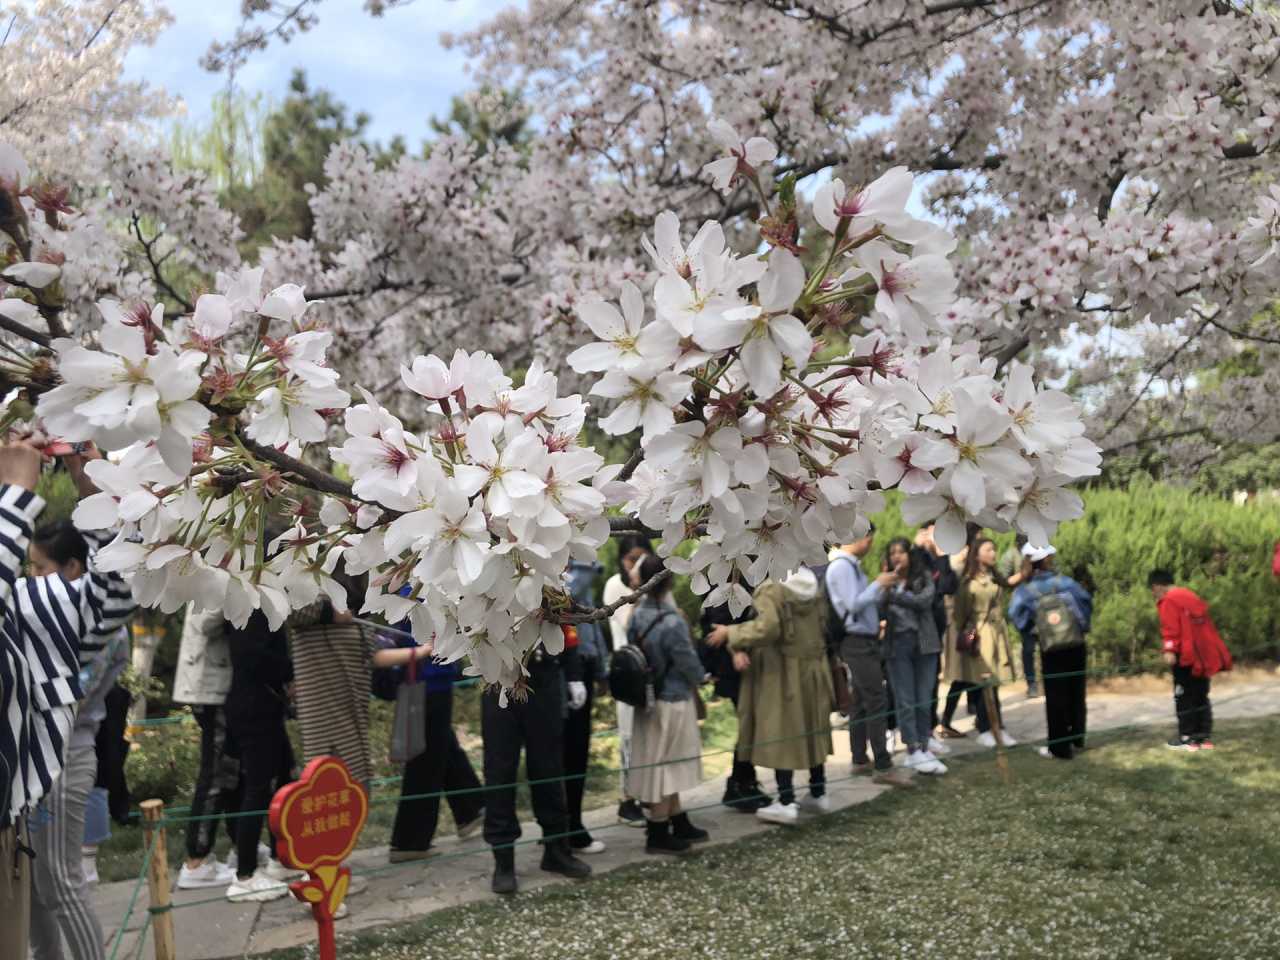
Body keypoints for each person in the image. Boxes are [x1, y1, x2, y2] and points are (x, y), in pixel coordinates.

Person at [0, 442, 135, 959]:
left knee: (53, 884)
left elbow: (117, 591)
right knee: (37, 890)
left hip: (53, 766)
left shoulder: (35, 602)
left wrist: (91, 486)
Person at [27, 521, 133, 960]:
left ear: (73, 567)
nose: (31, 579)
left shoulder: (98, 630)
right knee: (35, 884)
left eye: (39, 567)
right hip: (41, 760)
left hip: (64, 758)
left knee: (62, 883)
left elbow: (63, 695)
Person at [707, 568, 833, 825]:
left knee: (781, 732)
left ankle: (786, 801)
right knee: (812, 729)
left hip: (781, 670)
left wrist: (730, 634)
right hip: (813, 667)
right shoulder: (812, 584)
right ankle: (818, 791)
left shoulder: (772, 587)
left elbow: (768, 627)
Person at [482, 626, 590, 895]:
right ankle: (503, 858)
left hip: (543, 677)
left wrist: (574, 674)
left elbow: (565, 624)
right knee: (499, 770)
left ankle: (556, 848)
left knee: (548, 768)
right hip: (498, 679)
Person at [372, 625, 484, 861]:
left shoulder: (410, 592)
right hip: (427, 678)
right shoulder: (418, 593)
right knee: (425, 761)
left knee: (442, 748)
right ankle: (409, 842)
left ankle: (471, 809)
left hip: (430, 677)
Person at [625, 554, 709, 854]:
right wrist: (702, 677)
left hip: (647, 698)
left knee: (662, 762)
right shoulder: (672, 621)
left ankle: (677, 819)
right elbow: (687, 661)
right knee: (666, 765)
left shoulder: (636, 615)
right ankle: (658, 831)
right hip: (672, 699)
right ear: (669, 580)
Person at [825, 526, 914, 788]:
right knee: (876, 699)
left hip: (862, 640)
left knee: (862, 702)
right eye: (869, 536)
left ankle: (860, 758)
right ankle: (883, 765)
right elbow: (853, 604)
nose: (871, 542)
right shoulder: (841, 567)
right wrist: (878, 584)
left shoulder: (850, 566)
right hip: (856, 642)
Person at [224, 611, 299, 902]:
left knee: (282, 781)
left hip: (267, 706)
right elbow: (250, 656)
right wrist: (292, 670)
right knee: (257, 789)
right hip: (252, 709)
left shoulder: (263, 606)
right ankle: (245, 874)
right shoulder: (248, 607)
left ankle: (280, 859)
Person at [288, 560, 373, 788]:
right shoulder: (314, 597)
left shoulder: (357, 606)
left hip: (353, 705)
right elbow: (291, 610)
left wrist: (420, 652)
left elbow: (370, 655)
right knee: (328, 783)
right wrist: (330, 613)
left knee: (356, 781)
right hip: (324, 710)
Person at [173, 605, 240, 889]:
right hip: (209, 687)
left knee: (231, 769)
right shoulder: (214, 572)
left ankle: (240, 844)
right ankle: (196, 861)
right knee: (214, 774)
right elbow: (207, 622)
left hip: (214, 683)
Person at [1009, 544, 1093, 760]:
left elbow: (1016, 615)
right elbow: (1085, 601)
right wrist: (1082, 628)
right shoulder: (1066, 582)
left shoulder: (1026, 590)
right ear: (1047, 560)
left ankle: (1059, 747)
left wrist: (1034, 631)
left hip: (1050, 647)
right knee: (1076, 690)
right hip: (1075, 643)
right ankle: (1077, 738)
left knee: (1056, 696)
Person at [879, 539, 948, 776]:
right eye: (892, 552)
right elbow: (878, 605)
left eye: (901, 551)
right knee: (905, 699)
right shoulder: (885, 581)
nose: (897, 556)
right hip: (897, 645)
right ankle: (912, 749)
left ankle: (924, 745)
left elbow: (924, 601)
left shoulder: (923, 576)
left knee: (923, 698)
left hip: (924, 644)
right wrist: (885, 587)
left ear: (910, 555)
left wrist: (895, 595)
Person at [946, 537, 1020, 750]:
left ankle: (998, 726)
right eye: (989, 550)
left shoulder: (994, 578)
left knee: (993, 682)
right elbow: (960, 615)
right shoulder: (968, 583)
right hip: (980, 635)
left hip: (997, 633)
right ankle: (987, 728)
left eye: (994, 549)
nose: (994, 554)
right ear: (977, 554)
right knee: (982, 682)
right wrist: (972, 631)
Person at [700, 591, 771, 813]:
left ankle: (745, 782)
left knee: (750, 726)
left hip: (745, 665)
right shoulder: (721, 588)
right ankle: (739, 785)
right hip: (732, 670)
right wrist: (735, 650)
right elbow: (716, 630)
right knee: (748, 726)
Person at [1148, 570, 1233, 751]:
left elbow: (1170, 628)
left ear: (1157, 586)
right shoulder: (1191, 596)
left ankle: (1187, 737)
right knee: (1201, 695)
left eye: (1152, 591)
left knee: (1183, 696)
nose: (1153, 595)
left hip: (1185, 657)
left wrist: (1169, 650)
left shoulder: (1169, 600)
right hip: (1202, 656)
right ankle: (1204, 737)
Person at [603, 537, 651, 827]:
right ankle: (627, 799)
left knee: (651, 734)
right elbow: (628, 624)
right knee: (629, 734)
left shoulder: (655, 583)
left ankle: (648, 793)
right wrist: (638, 591)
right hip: (628, 669)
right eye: (632, 559)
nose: (637, 566)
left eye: (643, 559)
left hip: (652, 670)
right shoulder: (614, 586)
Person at [562, 559, 608, 854]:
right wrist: (586, 560)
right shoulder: (567, 573)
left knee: (576, 752)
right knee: (569, 751)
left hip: (585, 665)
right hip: (568, 667)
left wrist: (602, 670)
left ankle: (573, 823)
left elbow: (593, 625)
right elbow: (572, 588)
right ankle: (569, 828)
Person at [998, 534, 1037, 696]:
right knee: (1028, 648)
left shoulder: (1039, 550)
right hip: (1024, 607)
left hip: (1044, 604)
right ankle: (1032, 684)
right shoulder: (1011, 555)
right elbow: (1003, 580)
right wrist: (1022, 574)